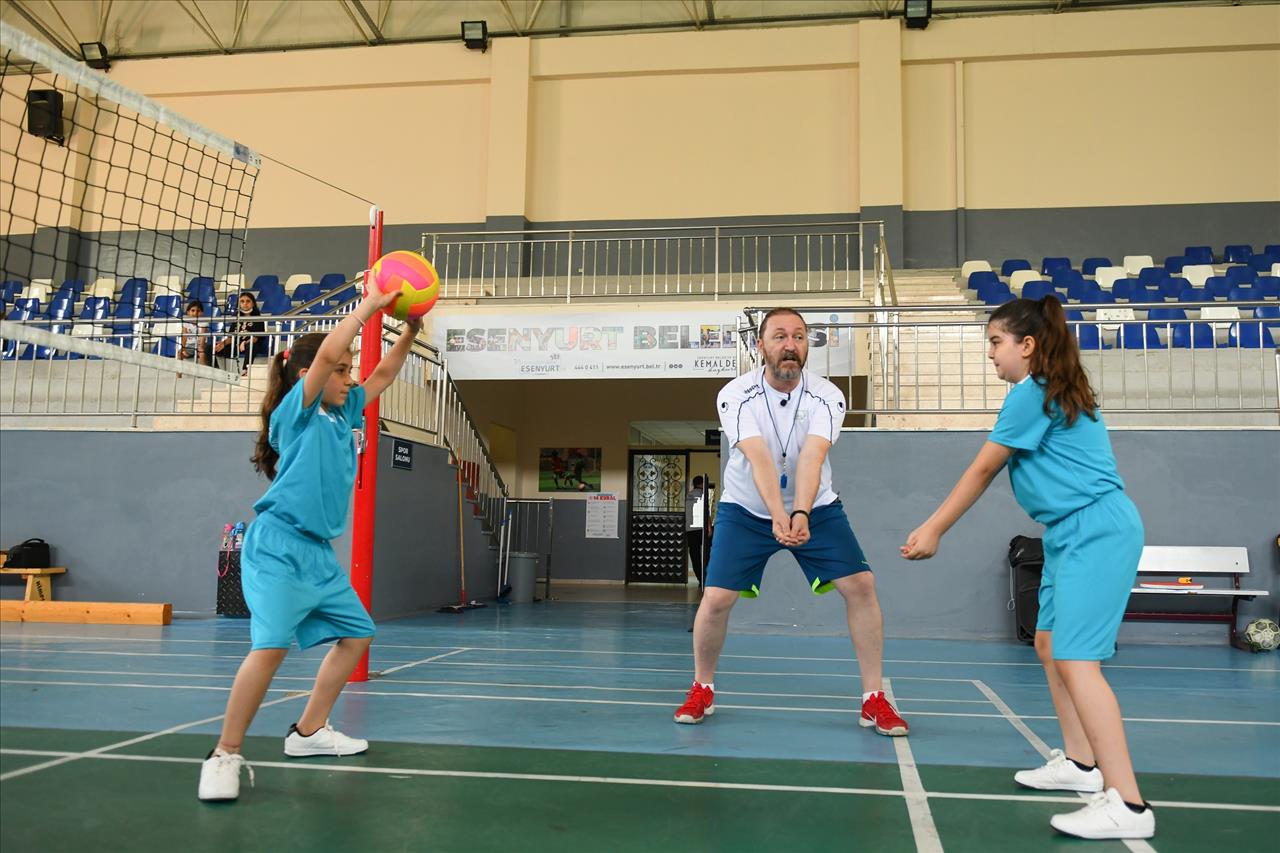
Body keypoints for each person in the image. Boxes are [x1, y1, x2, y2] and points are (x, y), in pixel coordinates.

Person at [900, 296, 1153, 841]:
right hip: (1069, 533)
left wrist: (935, 527)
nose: (991, 355)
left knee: (1079, 661)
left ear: (1027, 346)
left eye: (996, 343)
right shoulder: (1054, 390)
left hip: (1096, 530)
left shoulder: (1030, 394)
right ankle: (1081, 766)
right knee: (1048, 642)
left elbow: (982, 469)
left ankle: (1128, 803)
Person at [198, 288, 417, 802]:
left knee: (358, 634)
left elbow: (383, 374)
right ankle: (225, 753)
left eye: (349, 369)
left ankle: (309, 732)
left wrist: (407, 331)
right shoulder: (294, 416)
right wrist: (366, 309)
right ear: (311, 379)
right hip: (277, 547)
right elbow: (322, 355)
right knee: (270, 647)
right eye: (343, 370)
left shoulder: (345, 415)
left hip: (318, 553)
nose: (351, 377)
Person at [673, 308, 908, 738]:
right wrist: (778, 515)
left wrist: (799, 512)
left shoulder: (828, 396)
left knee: (861, 586)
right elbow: (759, 458)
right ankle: (702, 686)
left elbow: (814, 457)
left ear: (806, 347)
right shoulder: (734, 395)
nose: (790, 344)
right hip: (746, 510)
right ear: (760, 346)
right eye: (780, 336)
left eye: (799, 336)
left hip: (816, 506)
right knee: (717, 598)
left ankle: (873, 698)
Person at [213, 291, 269, 375]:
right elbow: (231, 337)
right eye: (242, 301)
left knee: (250, 346)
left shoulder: (258, 319)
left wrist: (244, 342)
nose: (245, 304)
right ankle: (219, 371)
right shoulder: (236, 319)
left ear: (253, 303)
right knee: (215, 348)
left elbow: (255, 338)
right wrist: (222, 343)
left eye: (248, 301)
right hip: (236, 345)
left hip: (251, 344)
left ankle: (245, 370)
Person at [684, 475, 712, 587]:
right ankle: (707, 578)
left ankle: (701, 580)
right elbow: (706, 512)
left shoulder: (688, 495)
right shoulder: (702, 494)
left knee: (694, 555)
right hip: (700, 528)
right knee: (707, 553)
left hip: (689, 529)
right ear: (702, 484)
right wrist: (709, 527)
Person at [177, 299, 209, 375]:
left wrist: (201, 348)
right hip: (189, 346)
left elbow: (203, 337)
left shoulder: (204, 322)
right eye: (193, 310)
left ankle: (203, 374)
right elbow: (184, 337)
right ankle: (178, 375)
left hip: (200, 344)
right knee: (179, 353)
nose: (195, 313)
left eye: (198, 311)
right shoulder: (185, 321)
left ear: (202, 313)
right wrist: (183, 347)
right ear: (188, 312)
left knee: (201, 353)